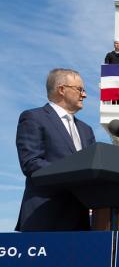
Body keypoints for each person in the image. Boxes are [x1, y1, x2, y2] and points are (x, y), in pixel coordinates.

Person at [16, 68, 96, 231]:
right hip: (44, 218)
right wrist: (74, 173)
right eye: (80, 89)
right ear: (61, 89)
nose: (85, 95)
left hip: (80, 224)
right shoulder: (33, 118)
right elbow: (31, 164)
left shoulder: (86, 130)